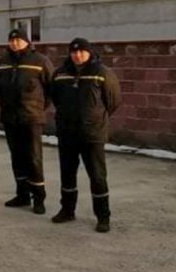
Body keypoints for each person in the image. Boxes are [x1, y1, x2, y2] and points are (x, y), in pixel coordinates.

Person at [49, 37, 122, 232]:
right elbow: (55, 98)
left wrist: (94, 118)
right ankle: (67, 210)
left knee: (97, 176)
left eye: (81, 51)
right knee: (67, 174)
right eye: (74, 52)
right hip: (67, 133)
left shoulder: (102, 73)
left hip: (92, 134)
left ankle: (103, 216)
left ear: (90, 52)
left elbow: (113, 101)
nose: (77, 55)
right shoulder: (60, 73)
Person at [0, 28, 55, 214]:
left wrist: (38, 107)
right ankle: (22, 194)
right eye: (11, 40)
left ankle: (39, 197)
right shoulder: (2, 62)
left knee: (34, 158)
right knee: (17, 157)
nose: (14, 43)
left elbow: (51, 88)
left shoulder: (40, 61)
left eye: (18, 40)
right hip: (10, 117)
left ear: (27, 42)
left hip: (32, 117)